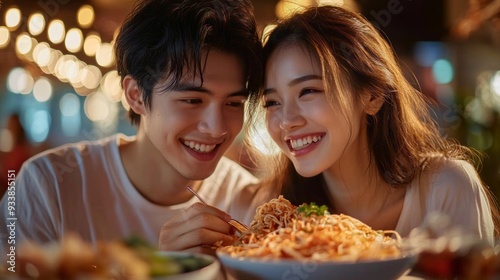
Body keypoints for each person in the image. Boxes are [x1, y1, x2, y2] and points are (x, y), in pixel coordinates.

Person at [0, 0, 263, 254]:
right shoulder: (48, 186)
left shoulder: (249, 202)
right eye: (193, 100)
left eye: (233, 103)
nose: (216, 128)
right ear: (136, 95)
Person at [248, 5, 499, 243]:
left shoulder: (445, 189)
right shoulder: (274, 216)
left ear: (372, 96)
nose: (287, 121)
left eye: (308, 91)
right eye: (272, 102)